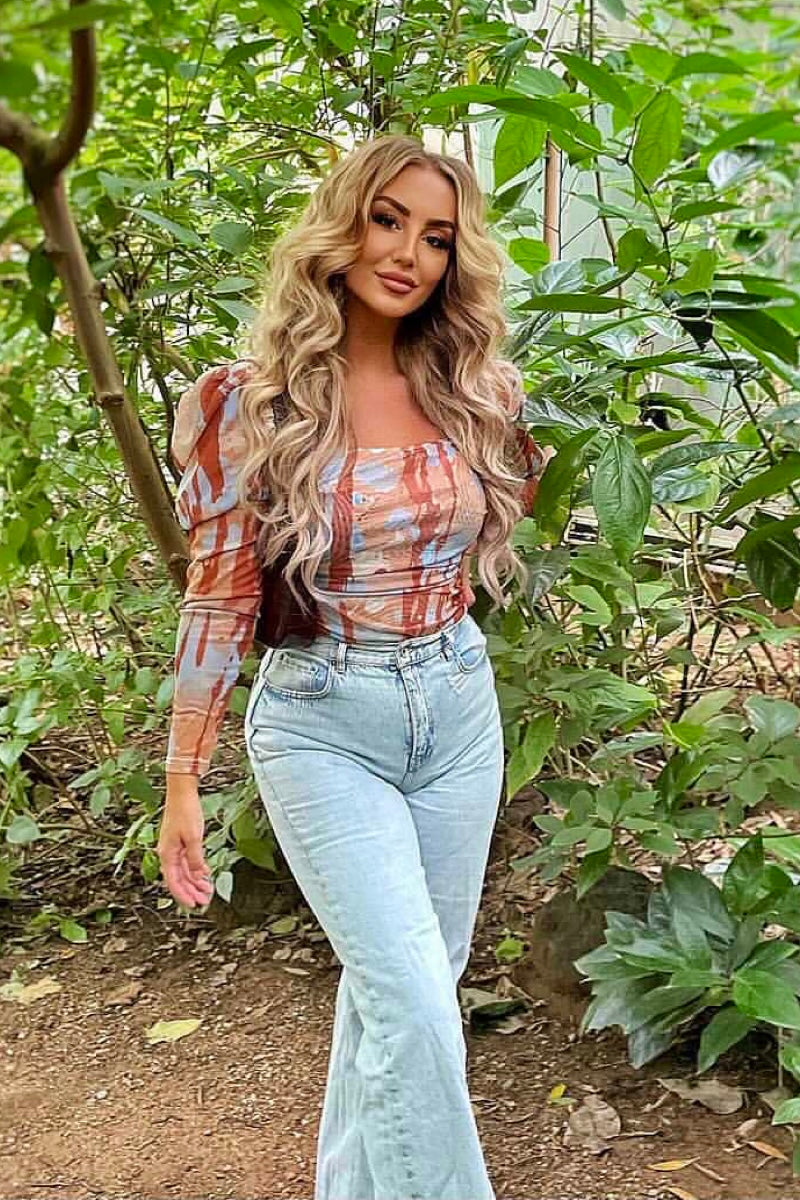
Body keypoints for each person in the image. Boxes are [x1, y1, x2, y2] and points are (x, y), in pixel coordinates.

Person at [157, 133, 542, 1200]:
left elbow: (495, 521)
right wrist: (183, 776)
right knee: (413, 1005)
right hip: (324, 717)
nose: (408, 253)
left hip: (457, 706)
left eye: (437, 237)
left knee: (402, 997)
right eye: (387, 220)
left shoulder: (475, 388)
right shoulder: (249, 403)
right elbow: (218, 594)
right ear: (342, 225)